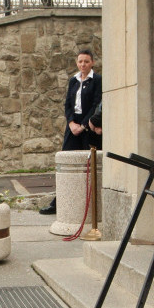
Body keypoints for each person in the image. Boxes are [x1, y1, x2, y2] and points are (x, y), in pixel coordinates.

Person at [41, 49, 102, 215]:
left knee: (87, 166)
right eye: (80, 61)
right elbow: (68, 105)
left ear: (92, 63)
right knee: (66, 164)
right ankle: (58, 202)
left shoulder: (97, 80)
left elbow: (96, 105)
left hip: (88, 127)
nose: (83, 64)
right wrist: (71, 123)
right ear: (77, 63)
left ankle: (87, 205)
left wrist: (82, 126)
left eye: (86, 61)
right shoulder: (73, 81)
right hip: (72, 126)